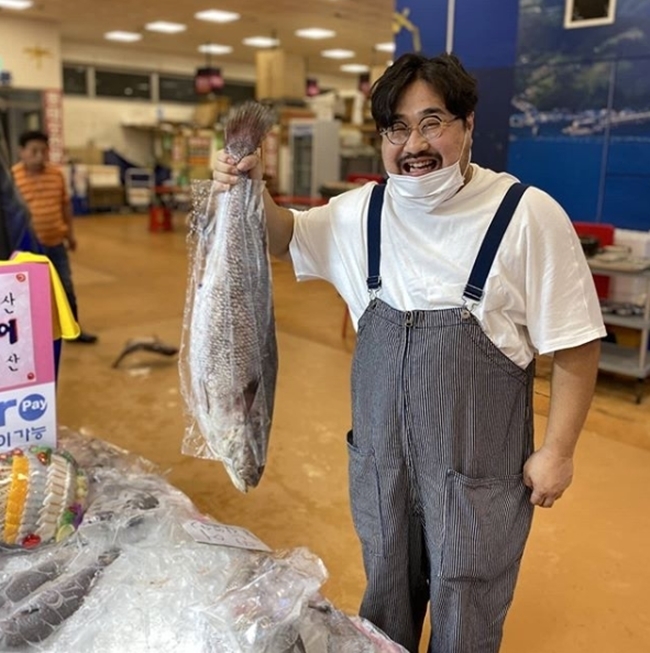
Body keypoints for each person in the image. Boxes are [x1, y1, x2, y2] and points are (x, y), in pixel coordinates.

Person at [213, 52, 606, 653]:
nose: (413, 144)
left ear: (468, 125)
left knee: (467, 602)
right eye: (396, 128)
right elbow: (284, 237)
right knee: (385, 595)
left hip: (477, 477)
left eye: (432, 122)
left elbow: (576, 342)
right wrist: (248, 190)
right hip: (383, 471)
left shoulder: (526, 215)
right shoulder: (359, 213)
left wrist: (559, 451)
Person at [12, 130, 97, 343]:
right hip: (26, 248)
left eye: (43, 151)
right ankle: (30, 336)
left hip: (55, 243)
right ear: (21, 152)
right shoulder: (12, 178)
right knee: (28, 293)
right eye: (34, 151)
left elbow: (65, 206)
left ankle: (73, 331)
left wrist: (70, 234)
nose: (39, 155)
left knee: (66, 286)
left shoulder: (55, 174)